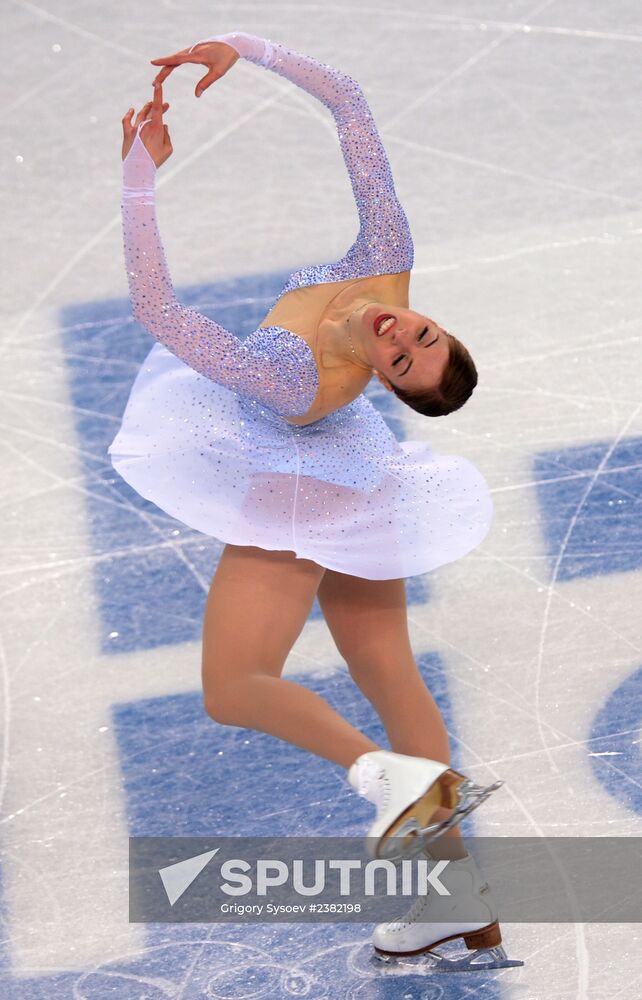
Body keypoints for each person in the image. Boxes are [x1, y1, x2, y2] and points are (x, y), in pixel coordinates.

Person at [111, 31, 517, 967]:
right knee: (392, 676)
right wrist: (242, 48)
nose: (401, 333)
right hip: (360, 476)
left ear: (387, 380)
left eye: (403, 360)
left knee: (232, 688)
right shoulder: (389, 256)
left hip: (303, 488)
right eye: (422, 334)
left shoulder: (291, 380)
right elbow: (348, 99)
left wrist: (140, 179)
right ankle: (448, 902)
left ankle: (381, 781)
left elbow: (159, 313)